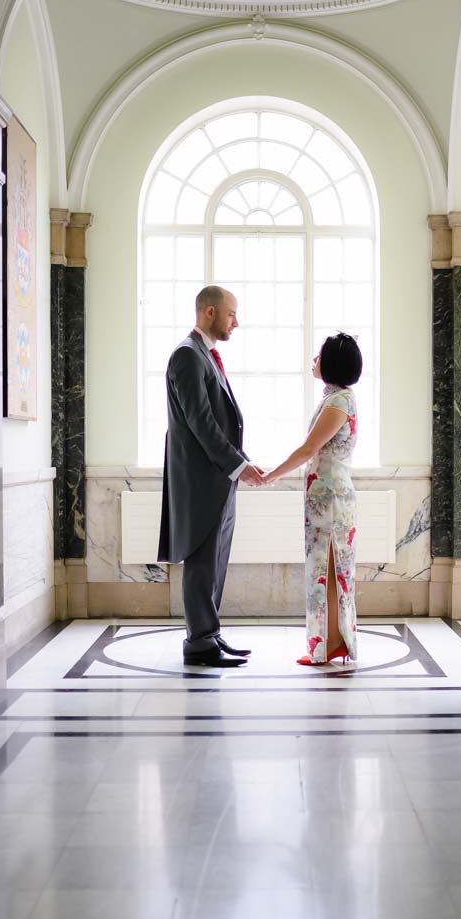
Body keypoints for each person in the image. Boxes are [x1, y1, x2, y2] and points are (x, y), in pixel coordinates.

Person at [157, 285, 265, 668]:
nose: (237, 322)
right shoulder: (187, 356)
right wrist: (238, 465)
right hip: (202, 480)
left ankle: (210, 633)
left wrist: (241, 464)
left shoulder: (204, 354)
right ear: (209, 313)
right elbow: (201, 425)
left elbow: (219, 421)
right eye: (231, 314)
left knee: (215, 561)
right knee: (202, 562)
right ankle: (199, 643)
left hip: (219, 477)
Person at [264, 332, 362, 665]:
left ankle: (330, 645)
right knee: (329, 569)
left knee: (327, 569)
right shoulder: (338, 398)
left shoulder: (338, 402)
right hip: (328, 494)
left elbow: (309, 448)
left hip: (331, 496)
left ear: (332, 363)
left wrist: (272, 474)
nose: (314, 360)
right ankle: (332, 642)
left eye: (318, 355)